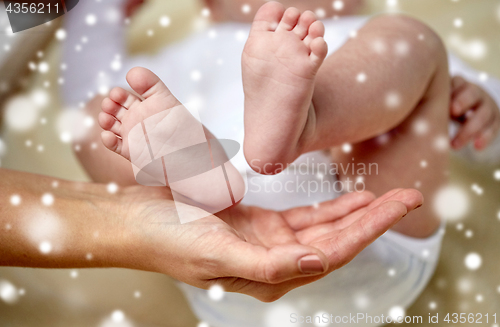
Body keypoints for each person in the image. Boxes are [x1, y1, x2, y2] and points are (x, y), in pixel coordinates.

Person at [60, 0, 500, 326]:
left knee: (411, 41)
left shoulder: (367, 28)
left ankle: (307, 122)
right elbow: (87, 74)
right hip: (211, 243)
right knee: (94, 116)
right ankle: (201, 179)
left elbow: (486, 142)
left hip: (369, 216)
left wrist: (478, 109)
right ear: (208, 5)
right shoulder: (190, 50)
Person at [0, 168, 421, 302]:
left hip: (228, 300)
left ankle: (305, 121)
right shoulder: (359, 35)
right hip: (381, 253)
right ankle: (305, 122)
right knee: (409, 47)